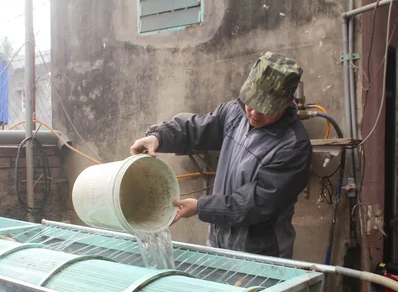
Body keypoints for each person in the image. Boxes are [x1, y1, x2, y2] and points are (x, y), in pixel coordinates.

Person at [130, 52, 312, 259]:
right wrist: (158, 137)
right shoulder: (235, 113)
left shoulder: (293, 146)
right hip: (218, 243)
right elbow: (195, 128)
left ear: (287, 103)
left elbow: (254, 204)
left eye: (265, 108)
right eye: (251, 102)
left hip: (261, 254)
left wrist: (201, 207)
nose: (253, 113)